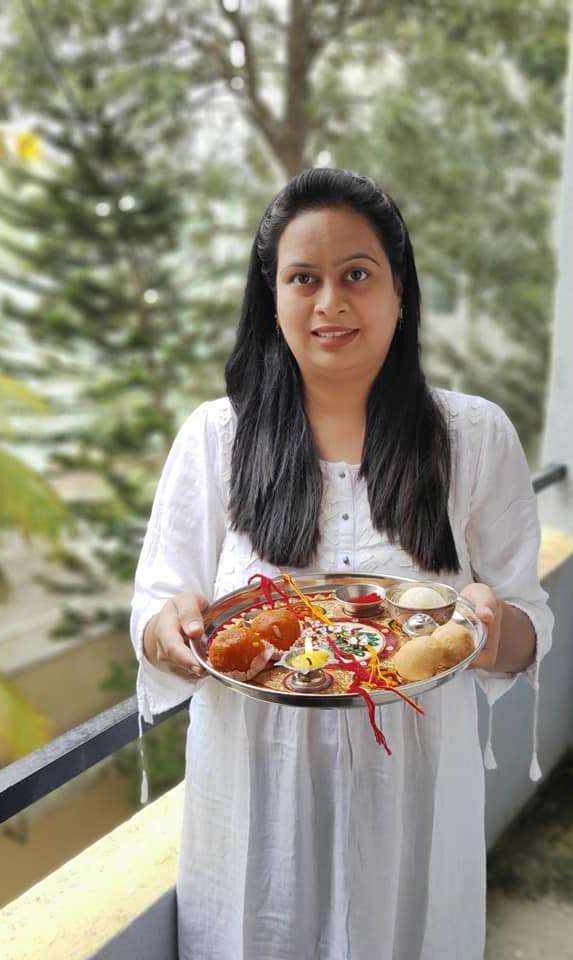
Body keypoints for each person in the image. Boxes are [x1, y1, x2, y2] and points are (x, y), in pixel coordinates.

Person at [130, 167, 553, 960]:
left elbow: (528, 625)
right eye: (304, 279)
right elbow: (156, 608)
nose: (330, 302)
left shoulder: (473, 436)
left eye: (356, 275)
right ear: (272, 300)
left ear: (399, 294)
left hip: (415, 805)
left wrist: (491, 631)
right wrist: (169, 630)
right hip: (255, 807)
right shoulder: (215, 438)